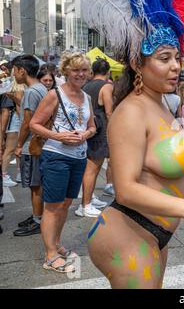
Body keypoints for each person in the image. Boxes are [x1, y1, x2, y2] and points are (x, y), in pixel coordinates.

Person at [79, 0, 184, 288]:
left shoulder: (163, 104)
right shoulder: (131, 111)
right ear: (136, 63)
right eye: (164, 58)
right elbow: (126, 189)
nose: (176, 66)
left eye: (177, 58)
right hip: (128, 232)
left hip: (156, 232)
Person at [30, 52, 96, 273]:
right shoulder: (54, 94)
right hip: (56, 156)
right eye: (76, 69)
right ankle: (50, 255)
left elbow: (92, 126)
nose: (80, 74)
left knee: (66, 203)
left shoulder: (87, 97)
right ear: (66, 70)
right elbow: (34, 124)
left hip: (78, 157)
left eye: (84, 70)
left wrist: (86, 134)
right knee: (53, 206)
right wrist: (59, 136)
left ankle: (56, 244)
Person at [12, 55, 48, 237]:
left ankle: (38, 220)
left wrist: (18, 145)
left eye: (14, 70)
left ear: (22, 71)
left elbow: (27, 122)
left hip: (32, 145)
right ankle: (36, 216)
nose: (13, 75)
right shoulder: (41, 88)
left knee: (35, 185)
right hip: (40, 143)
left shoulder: (31, 92)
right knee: (37, 183)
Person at [77, 58, 114, 217]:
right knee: (93, 168)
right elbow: (109, 112)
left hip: (88, 127)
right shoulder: (106, 86)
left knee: (90, 167)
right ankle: (85, 205)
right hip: (100, 130)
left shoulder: (86, 85)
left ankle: (89, 197)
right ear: (108, 72)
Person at [1, 62, 24, 186]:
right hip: (16, 120)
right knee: (11, 149)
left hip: (16, 120)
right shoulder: (19, 87)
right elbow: (19, 108)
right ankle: (4, 174)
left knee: (17, 148)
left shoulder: (15, 86)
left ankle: (19, 173)